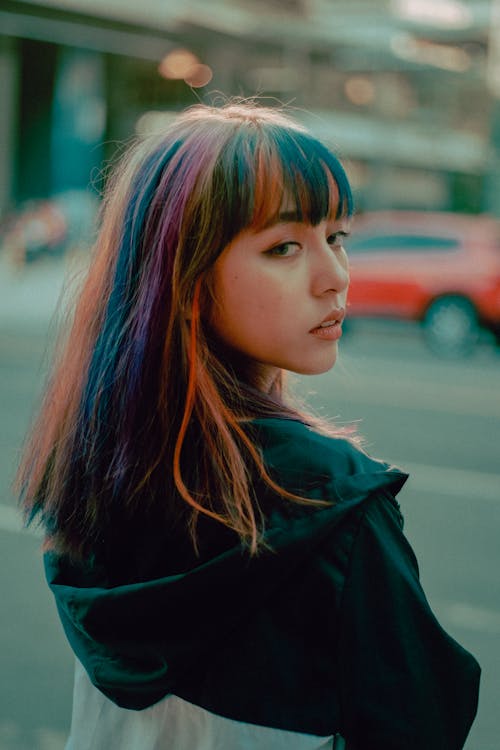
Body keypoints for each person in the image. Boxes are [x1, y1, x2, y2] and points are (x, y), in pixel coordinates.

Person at [17, 101, 480, 750]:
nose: (335, 278)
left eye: (337, 237)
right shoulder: (333, 513)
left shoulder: (92, 468)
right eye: (285, 246)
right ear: (185, 277)